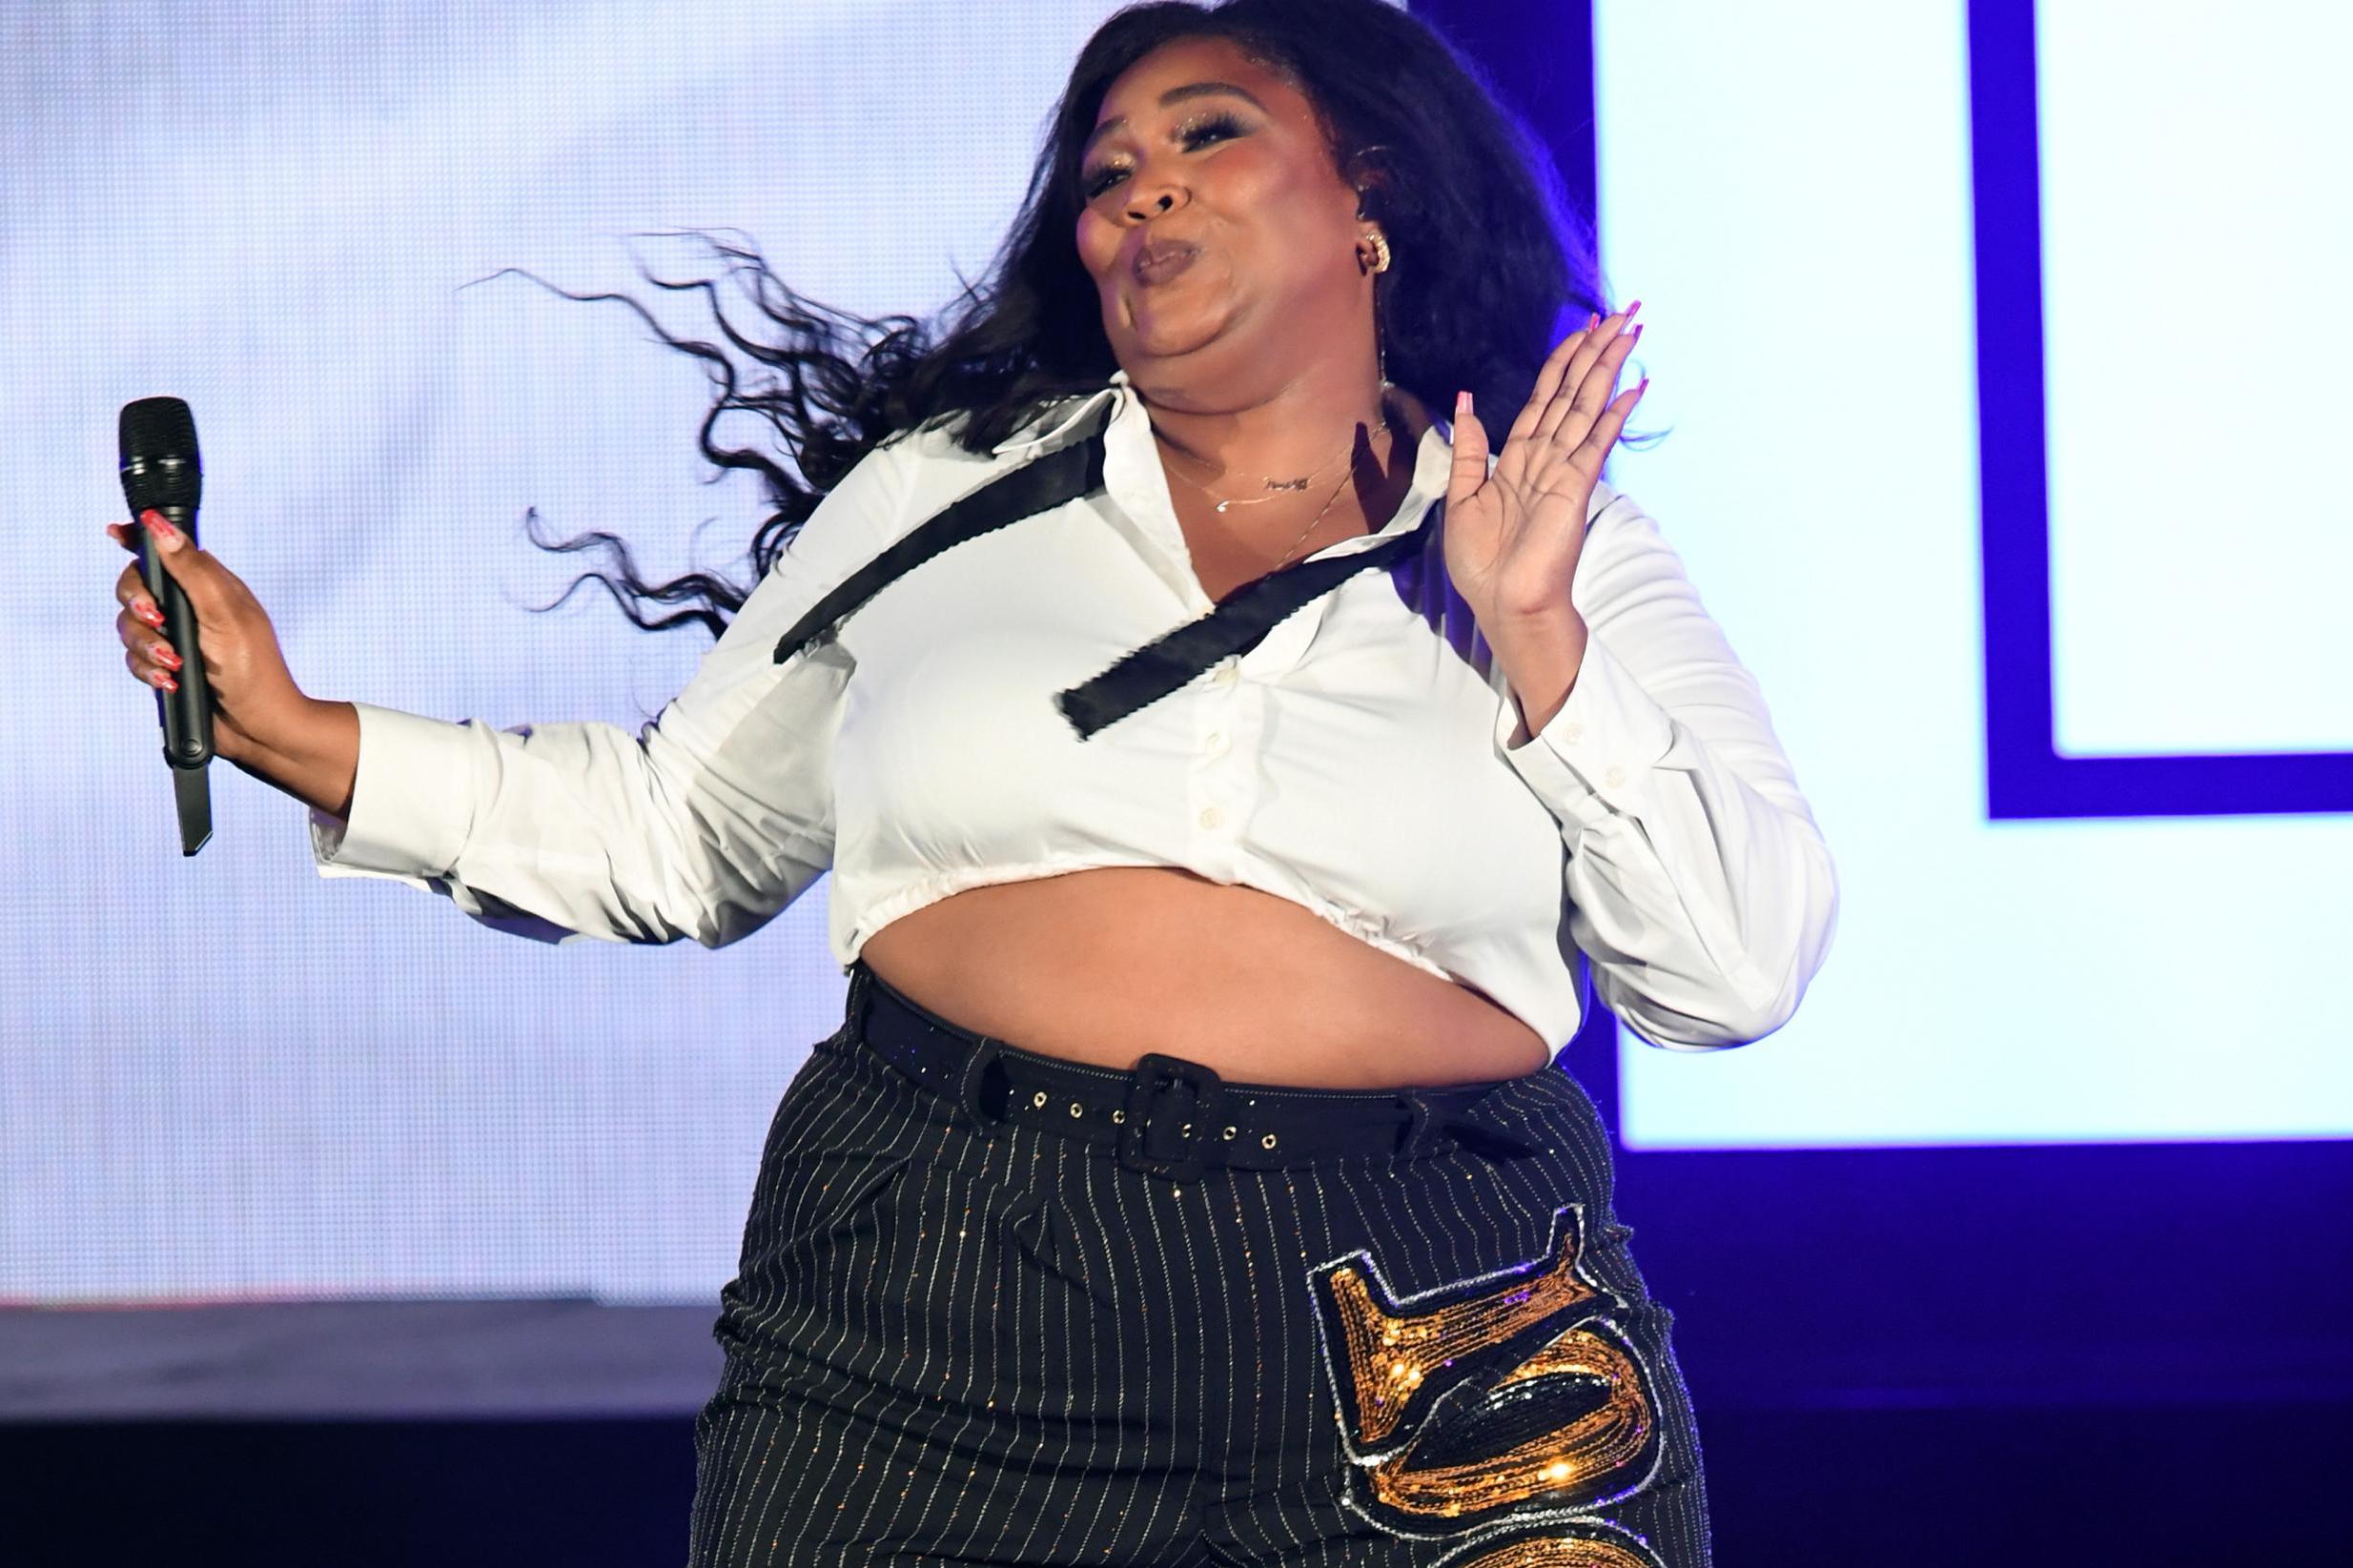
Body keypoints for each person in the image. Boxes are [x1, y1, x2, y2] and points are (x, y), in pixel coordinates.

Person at [106, 1, 1836, 1561]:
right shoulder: (947, 490)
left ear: (1365, 192)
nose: (1142, 190)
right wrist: (290, 724)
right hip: (946, 1284)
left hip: (1449, 1314)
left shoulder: (1558, 550)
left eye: (1210, 134)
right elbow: (673, 829)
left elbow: (1734, 970)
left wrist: (1531, 626)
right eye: (1110, 169)